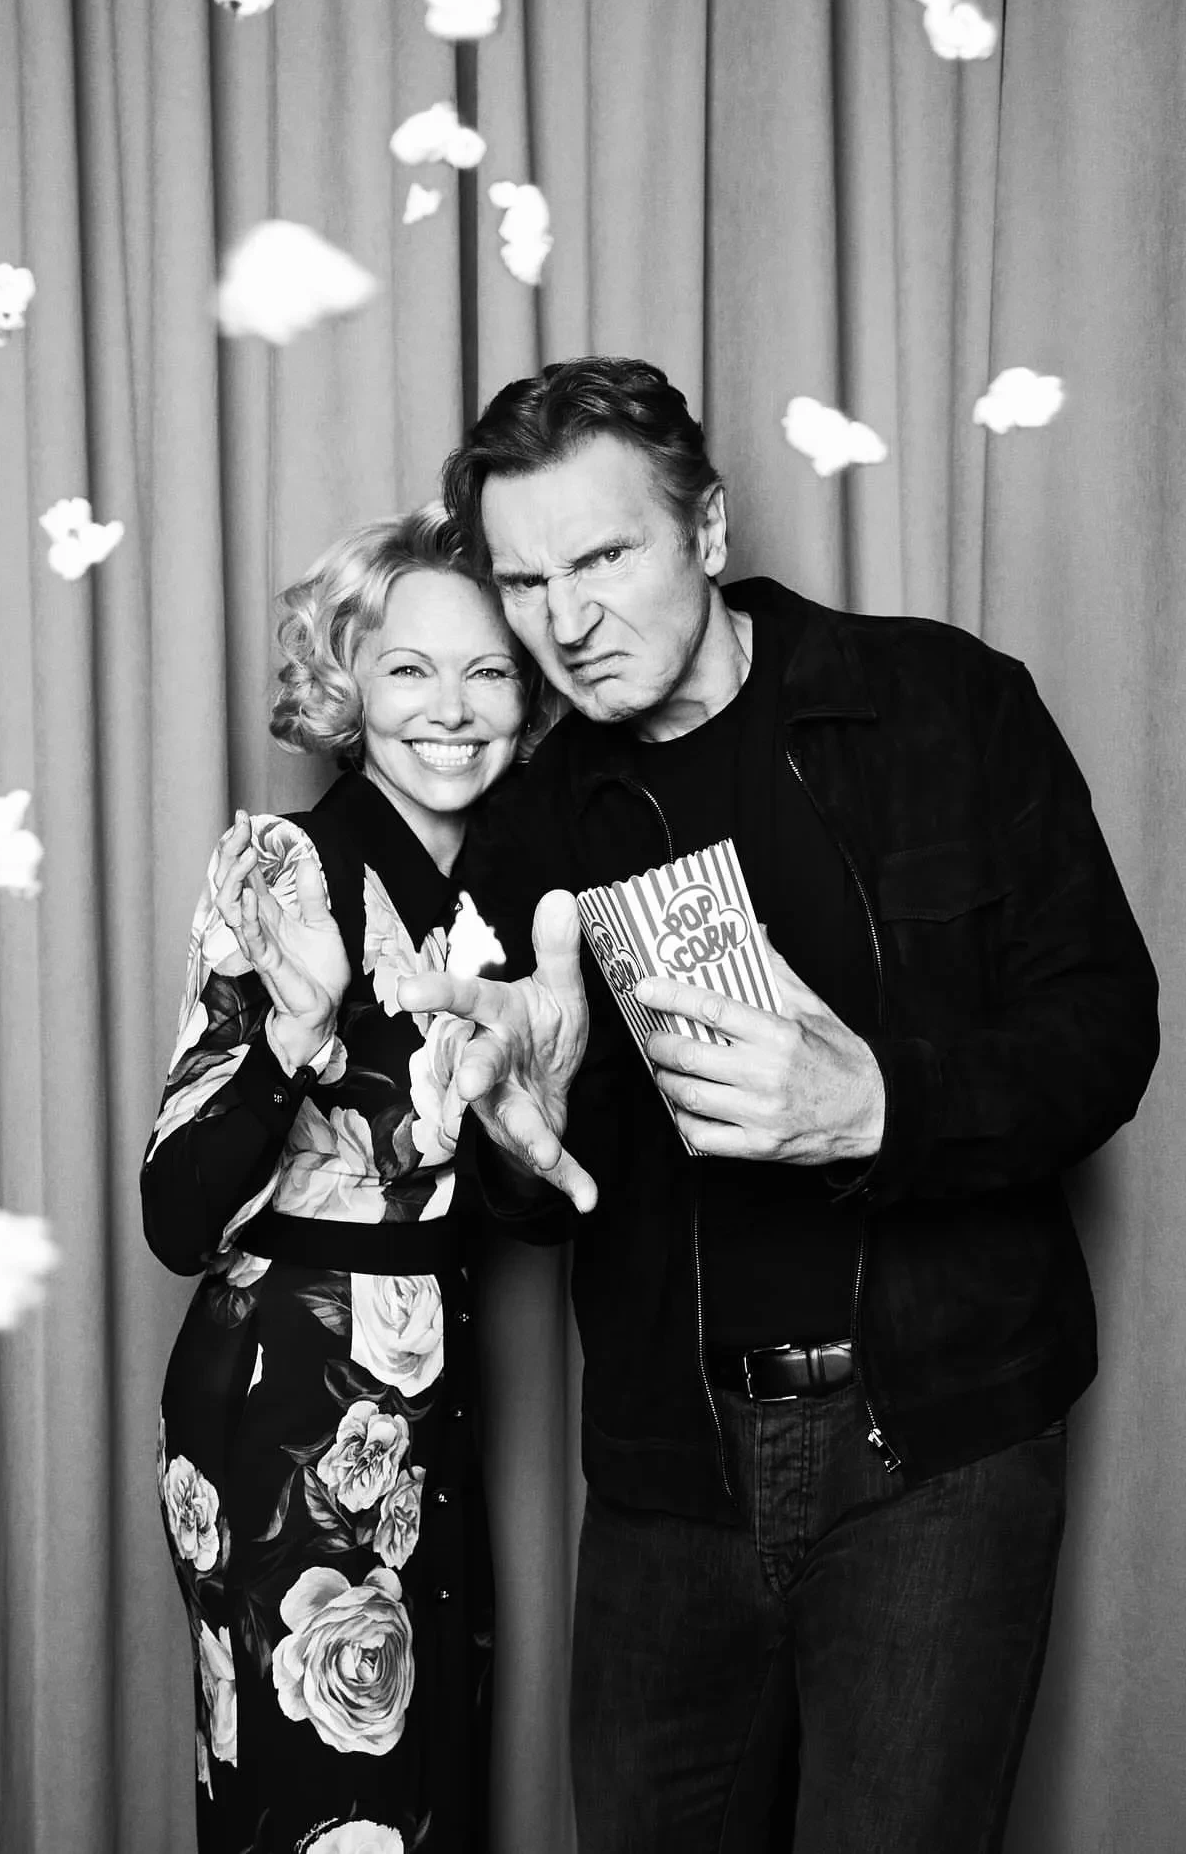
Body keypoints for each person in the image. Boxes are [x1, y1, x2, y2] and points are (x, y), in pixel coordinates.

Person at [394, 356, 1161, 1852]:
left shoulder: (944, 704)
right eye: (527, 580)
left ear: (710, 527)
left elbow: (1104, 1032)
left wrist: (884, 1104)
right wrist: (516, 1130)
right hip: (668, 1477)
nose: (567, 620)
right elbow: (525, 1198)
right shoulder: (536, 824)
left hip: (938, 1449)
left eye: (604, 557)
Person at [141, 502, 539, 1854]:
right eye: (410, 667)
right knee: (319, 1807)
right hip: (285, 1394)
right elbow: (174, 1213)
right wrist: (293, 1038)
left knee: (426, 1798)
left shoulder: (518, 884)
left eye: (488, 670)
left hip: (434, 1386)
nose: (453, 707)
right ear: (347, 681)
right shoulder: (287, 867)